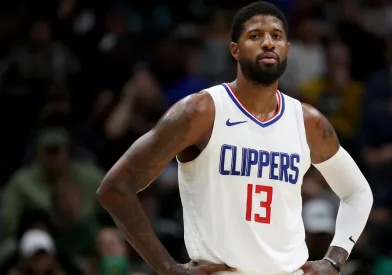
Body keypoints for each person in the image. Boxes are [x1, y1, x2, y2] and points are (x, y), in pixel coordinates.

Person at [96, 2, 373, 275]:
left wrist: (334, 261)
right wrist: (166, 267)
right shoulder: (201, 111)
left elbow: (358, 192)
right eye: (255, 36)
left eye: (276, 36)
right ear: (235, 51)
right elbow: (115, 188)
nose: (268, 43)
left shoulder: (308, 122)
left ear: (287, 49)